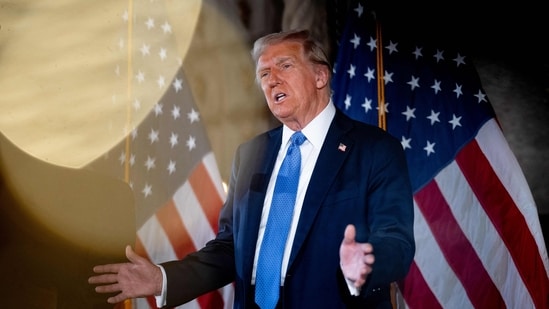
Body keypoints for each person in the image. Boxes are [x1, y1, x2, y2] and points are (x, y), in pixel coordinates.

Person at [89, 29, 415, 309]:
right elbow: (231, 248)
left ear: (320, 76)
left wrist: (364, 265)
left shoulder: (375, 150)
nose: (272, 79)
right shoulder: (251, 154)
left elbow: (397, 243)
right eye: (263, 74)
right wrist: (164, 278)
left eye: (285, 66)